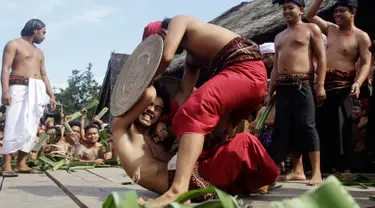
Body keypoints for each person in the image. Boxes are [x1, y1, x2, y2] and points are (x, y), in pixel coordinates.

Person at [140, 15, 267, 204]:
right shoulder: (192, 58)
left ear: (164, 34)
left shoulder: (179, 20)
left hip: (245, 70)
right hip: (244, 80)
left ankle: (178, 190)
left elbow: (166, 57)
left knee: (193, 112)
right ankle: (246, 180)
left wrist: (143, 82)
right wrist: (166, 120)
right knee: (216, 134)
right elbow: (183, 93)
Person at [306, 0, 372, 172]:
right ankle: (323, 167)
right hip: (322, 84)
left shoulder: (361, 36)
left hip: (343, 86)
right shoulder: (331, 29)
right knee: (321, 125)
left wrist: (358, 82)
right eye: (335, 12)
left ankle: (343, 168)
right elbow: (309, 15)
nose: (337, 15)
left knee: (341, 127)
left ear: (353, 13)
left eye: (341, 11)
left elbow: (366, 63)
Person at [267, 0, 327, 186]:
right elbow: (275, 68)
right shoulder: (279, 36)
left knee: (307, 125)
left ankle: (316, 172)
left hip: (303, 84)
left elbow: (322, 58)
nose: (286, 11)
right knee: (284, 127)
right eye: (284, 8)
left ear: (301, 10)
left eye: (290, 8)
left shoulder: (311, 29)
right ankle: (298, 170)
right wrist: (270, 92)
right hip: (283, 87)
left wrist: (320, 84)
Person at [1, 19, 56, 177]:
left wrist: (51, 95)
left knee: (31, 126)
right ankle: (6, 165)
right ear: (35, 30)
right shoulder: (13, 44)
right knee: (13, 123)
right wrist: (5, 91)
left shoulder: (39, 52)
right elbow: (5, 68)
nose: (44, 36)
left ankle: (21, 163)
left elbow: (44, 74)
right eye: (43, 32)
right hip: (18, 87)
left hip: (37, 89)